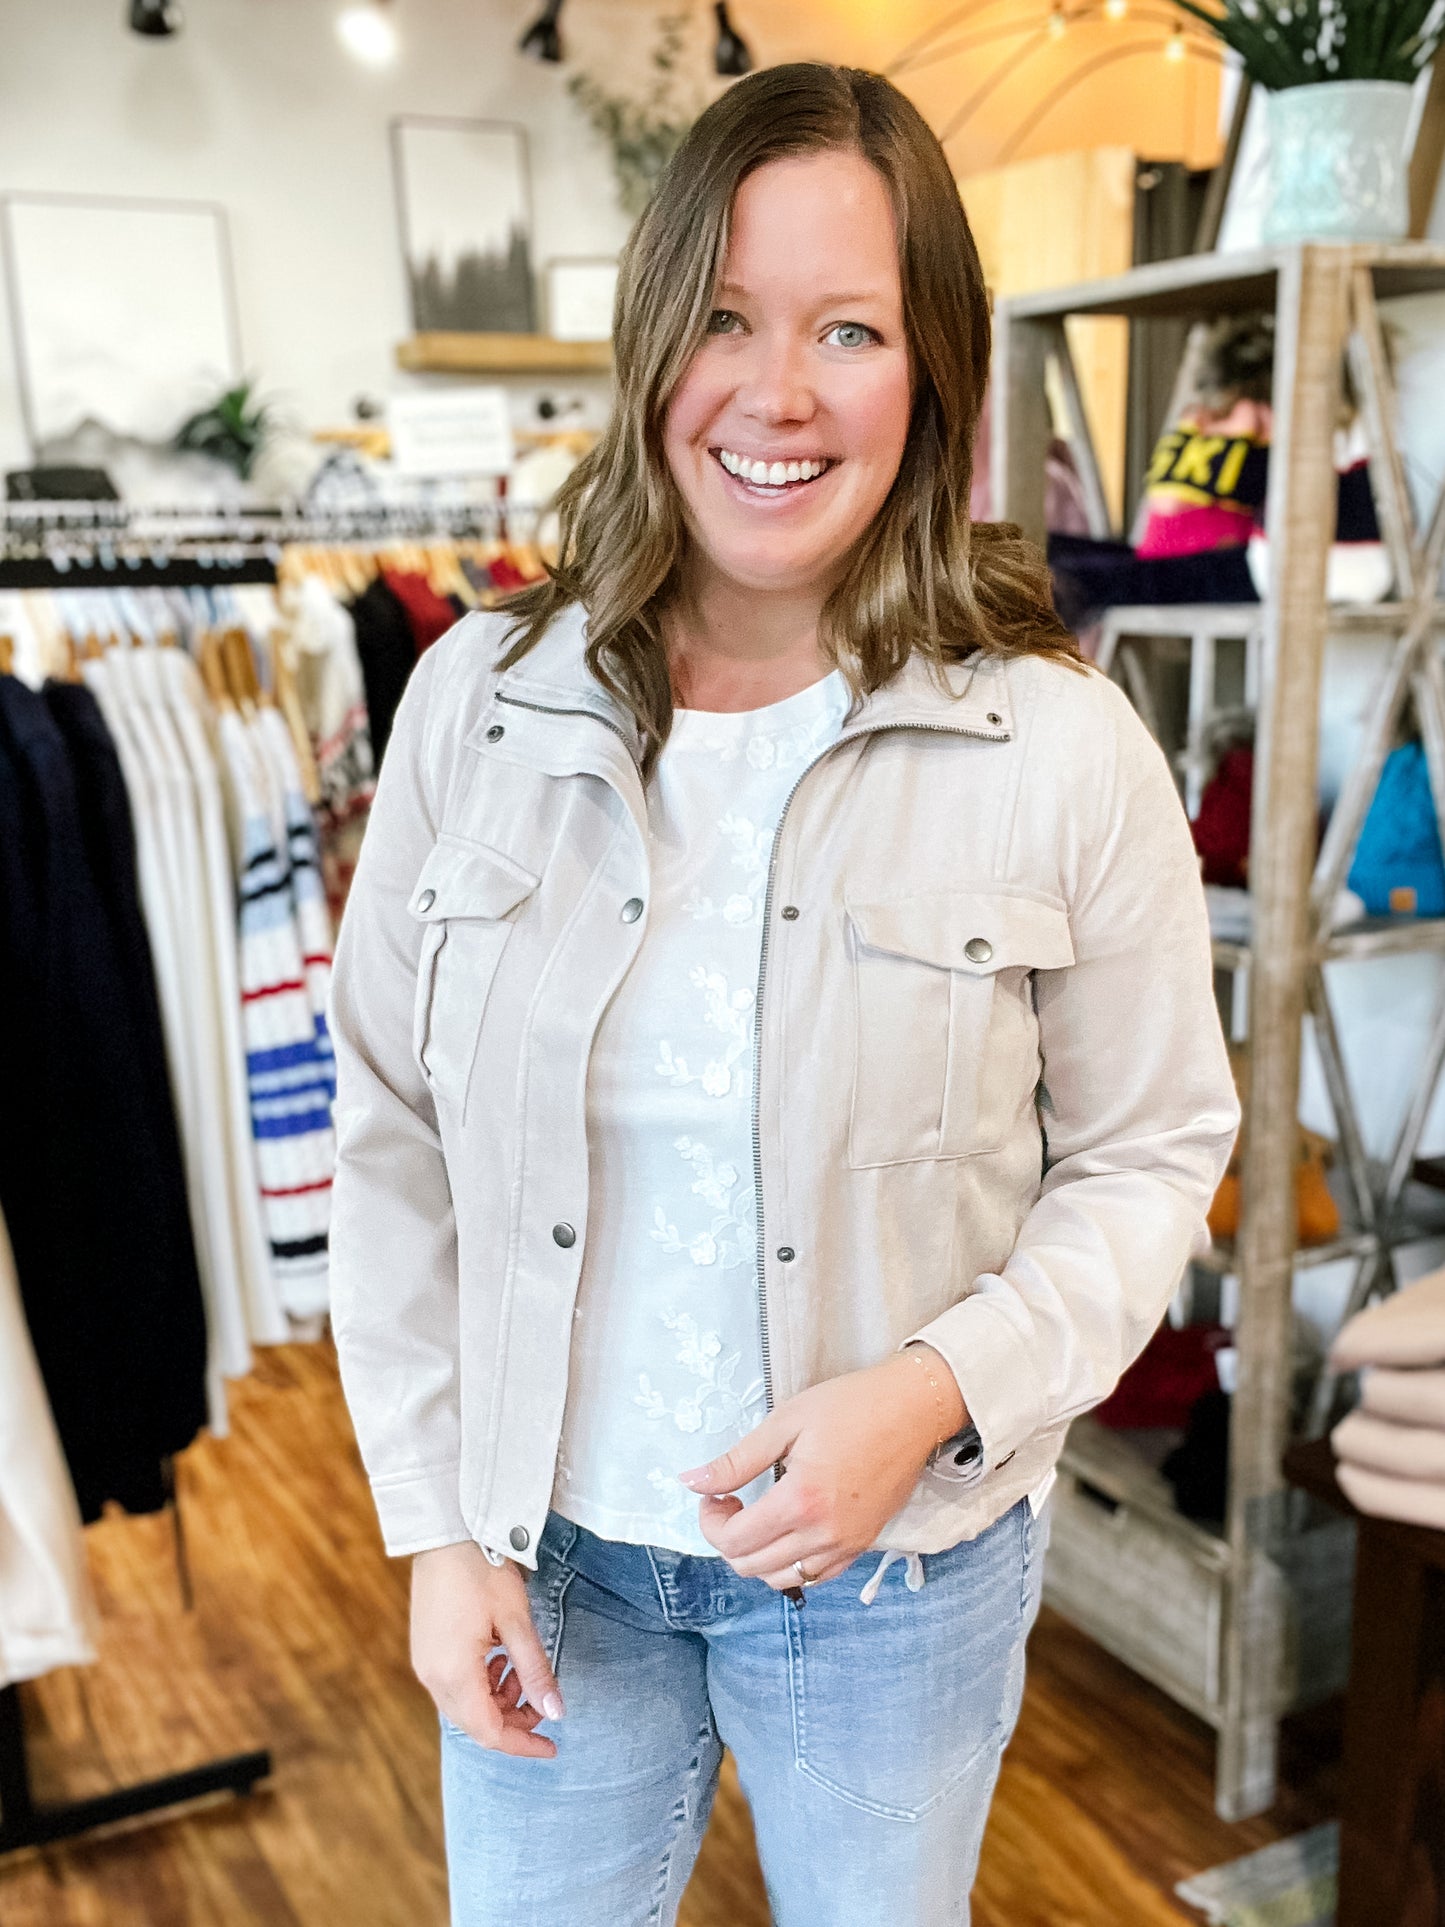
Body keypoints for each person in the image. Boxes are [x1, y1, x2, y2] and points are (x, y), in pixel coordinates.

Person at [329, 61, 1239, 1927]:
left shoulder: (1060, 744)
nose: (780, 393)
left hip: (896, 1583)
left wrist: (930, 1389)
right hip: (546, 1554)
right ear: (655, 338)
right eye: (728, 320)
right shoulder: (477, 700)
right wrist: (431, 1525)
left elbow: (1155, 1150)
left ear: (933, 374)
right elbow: (390, 1132)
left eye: (849, 327)